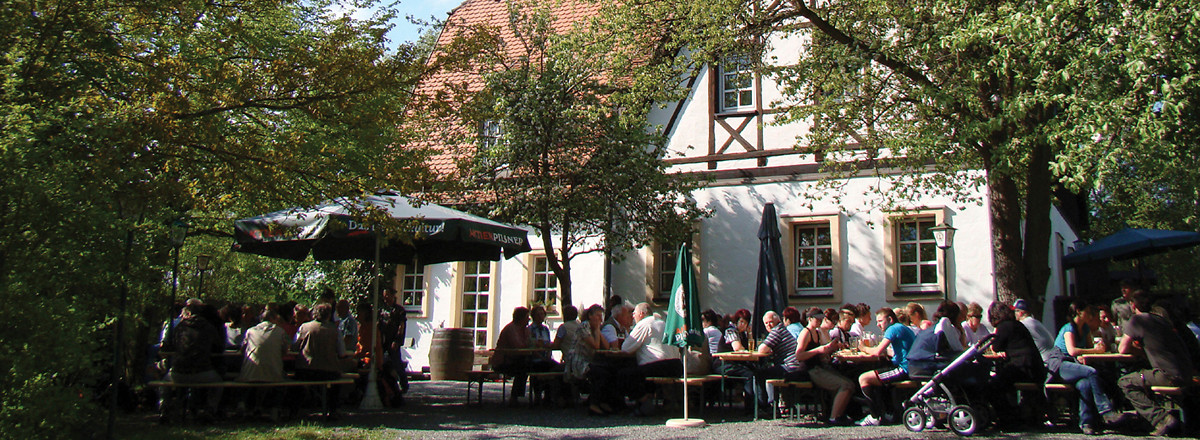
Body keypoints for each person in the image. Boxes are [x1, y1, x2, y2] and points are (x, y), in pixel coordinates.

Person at [1118, 291, 1197, 436]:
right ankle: (1149, 420)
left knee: (1125, 382)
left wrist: (1135, 349)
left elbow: (1122, 349)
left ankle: (1161, 418)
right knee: (1143, 375)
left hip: (1168, 375)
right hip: (1186, 372)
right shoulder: (1162, 320)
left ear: (1133, 305)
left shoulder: (1137, 320)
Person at [1052, 300, 1124, 435]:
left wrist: (1095, 349)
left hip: (1077, 366)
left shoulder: (1084, 329)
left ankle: (1086, 423)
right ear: (1079, 312)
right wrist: (1095, 351)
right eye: (1088, 312)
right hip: (1062, 365)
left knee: (1084, 384)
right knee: (1092, 372)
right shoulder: (1069, 328)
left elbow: (1088, 349)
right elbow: (1072, 351)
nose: (1091, 316)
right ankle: (1105, 410)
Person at [986, 301, 1047, 428]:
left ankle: (1007, 418)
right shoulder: (1018, 325)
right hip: (1034, 366)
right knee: (1005, 382)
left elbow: (996, 347)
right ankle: (1017, 415)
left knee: (993, 386)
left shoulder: (1003, 327)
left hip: (1022, 367)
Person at [160, 304, 225, 422]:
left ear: (188, 313)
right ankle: (210, 409)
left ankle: (164, 408)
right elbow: (219, 347)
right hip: (202, 372)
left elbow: (171, 346)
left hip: (179, 373)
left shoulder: (179, 328)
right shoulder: (209, 327)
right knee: (219, 382)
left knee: (164, 382)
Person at [794, 307, 856, 426]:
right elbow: (799, 356)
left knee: (849, 384)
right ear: (810, 319)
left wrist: (830, 348)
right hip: (810, 370)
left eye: (821, 319)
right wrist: (819, 350)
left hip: (819, 367)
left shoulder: (816, 332)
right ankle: (834, 417)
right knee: (845, 385)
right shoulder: (806, 332)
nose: (819, 321)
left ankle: (837, 413)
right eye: (817, 319)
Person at [856, 307, 916, 426]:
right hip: (910, 366)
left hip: (903, 369)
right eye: (877, 322)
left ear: (890, 319)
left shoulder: (892, 329)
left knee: (864, 378)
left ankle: (875, 417)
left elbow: (877, 352)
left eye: (880, 321)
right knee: (876, 376)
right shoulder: (902, 327)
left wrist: (863, 348)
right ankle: (887, 412)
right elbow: (897, 352)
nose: (878, 325)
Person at [292, 303, 348, 419]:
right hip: (329, 372)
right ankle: (333, 410)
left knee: (295, 381)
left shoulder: (304, 327)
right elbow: (342, 352)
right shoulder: (335, 331)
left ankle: (294, 410)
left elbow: (294, 346)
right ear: (329, 315)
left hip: (306, 370)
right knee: (337, 381)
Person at [236, 307, 288, 420]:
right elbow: (285, 351)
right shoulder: (280, 331)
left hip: (250, 372)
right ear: (274, 318)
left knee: (245, 376)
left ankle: (242, 404)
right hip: (273, 373)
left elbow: (242, 349)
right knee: (281, 379)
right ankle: (275, 409)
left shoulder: (250, 331)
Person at [753, 311, 801, 412]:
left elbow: (761, 349)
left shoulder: (777, 331)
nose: (768, 325)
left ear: (778, 321)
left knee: (759, 374)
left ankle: (765, 407)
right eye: (766, 323)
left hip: (790, 367)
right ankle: (775, 405)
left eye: (770, 322)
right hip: (795, 366)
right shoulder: (782, 329)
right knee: (769, 372)